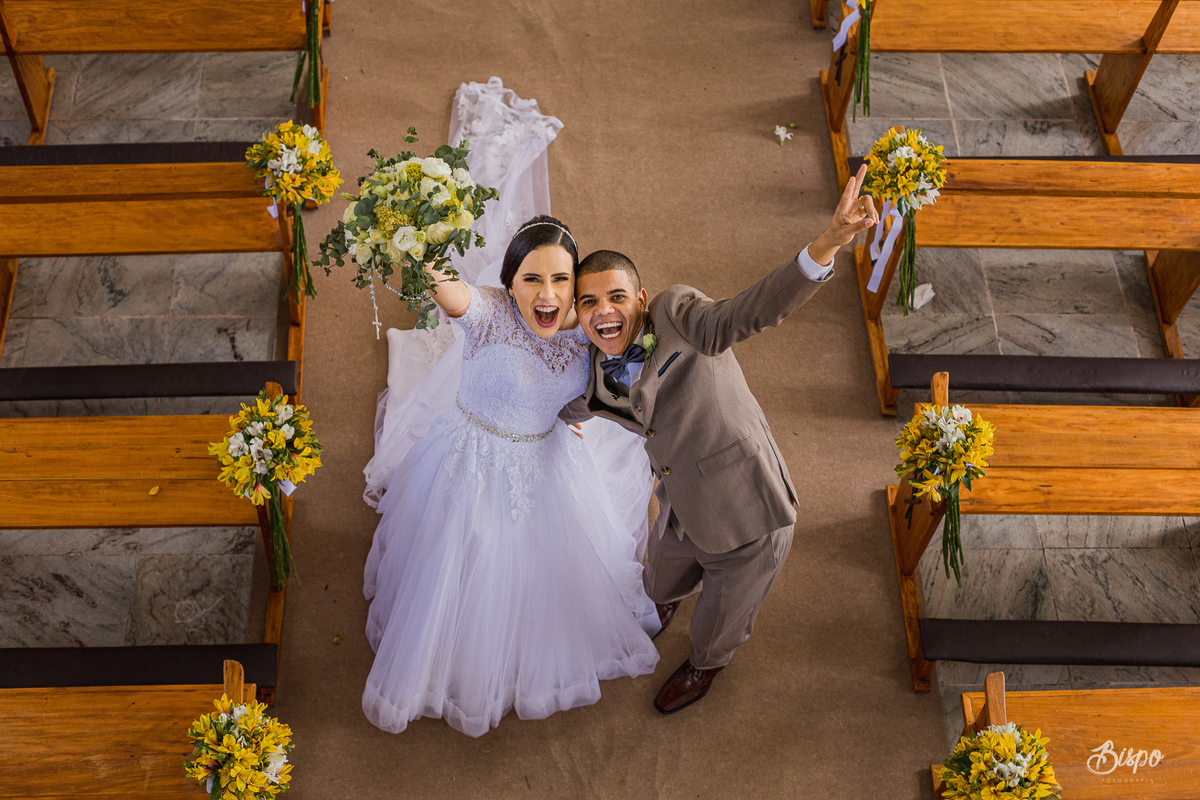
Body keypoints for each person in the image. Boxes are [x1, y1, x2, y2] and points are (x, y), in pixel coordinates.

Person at [565, 164, 879, 714]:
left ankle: (706, 665)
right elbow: (576, 403)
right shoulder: (592, 362)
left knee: (721, 616)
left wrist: (828, 243)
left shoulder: (679, 315)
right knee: (659, 577)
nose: (603, 311)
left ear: (641, 299)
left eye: (615, 297)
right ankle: (667, 603)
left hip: (745, 506)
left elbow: (750, 311)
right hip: (679, 499)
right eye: (589, 303)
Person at [362, 215, 661, 737]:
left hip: (545, 464)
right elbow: (446, 288)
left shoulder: (591, 330)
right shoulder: (487, 313)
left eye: (561, 281)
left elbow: (618, 372)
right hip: (467, 461)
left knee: (536, 572)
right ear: (509, 284)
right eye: (531, 279)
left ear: (578, 284)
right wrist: (410, 229)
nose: (547, 296)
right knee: (460, 554)